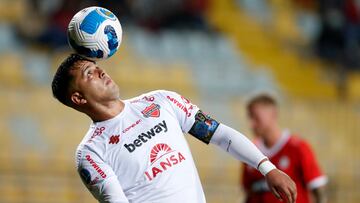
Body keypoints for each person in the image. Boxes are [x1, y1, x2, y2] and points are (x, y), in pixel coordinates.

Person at [51, 54, 297, 203]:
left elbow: (220, 135)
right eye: (89, 73)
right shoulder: (90, 152)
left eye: (97, 66)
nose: (101, 71)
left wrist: (267, 168)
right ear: (78, 98)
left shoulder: (160, 101)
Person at [241, 94, 327, 203]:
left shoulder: (298, 148)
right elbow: (248, 192)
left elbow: (318, 189)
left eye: (256, 117)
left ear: (273, 114)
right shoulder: (250, 150)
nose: (251, 124)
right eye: (249, 117)